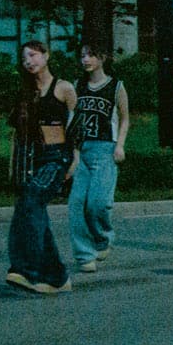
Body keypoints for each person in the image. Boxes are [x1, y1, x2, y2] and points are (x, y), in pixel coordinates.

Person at [6, 35, 79, 294]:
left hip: (57, 157)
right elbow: (17, 134)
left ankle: (26, 270)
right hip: (32, 159)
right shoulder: (25, 94)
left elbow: (78, 127)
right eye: (24, 58)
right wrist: (12, 165)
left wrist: (75, 160)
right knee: (30, 210)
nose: (29, 61)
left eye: (33, 55)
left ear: (46, 56)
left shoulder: (64, 88)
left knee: (31, 201)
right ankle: (57, 277)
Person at [65, 41, 126, 272]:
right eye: (83, 55)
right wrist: (71, 151)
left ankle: (103, 238)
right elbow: (71, 119)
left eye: (91, 55)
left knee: (97, 204)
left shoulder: (116, 86)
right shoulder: (77, 86)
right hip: (80, 149)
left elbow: (125, 118)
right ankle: (84, 256)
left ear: (102, 58)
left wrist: (120, 145)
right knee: (76, 205)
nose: (85, 60)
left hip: (104, 149)